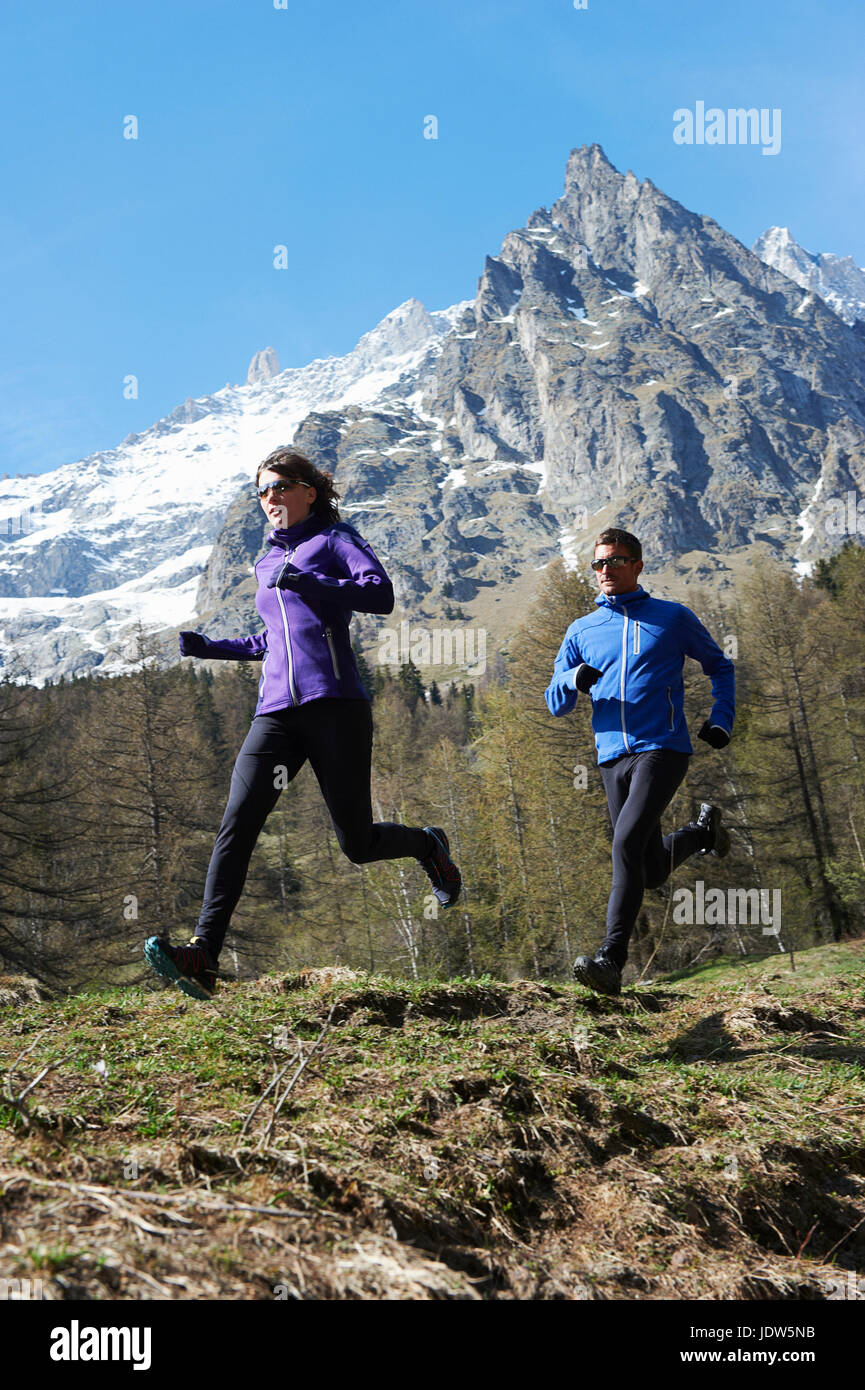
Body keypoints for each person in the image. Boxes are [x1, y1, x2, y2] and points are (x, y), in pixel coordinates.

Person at [144, 447, 461, 1000]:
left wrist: (312, 582)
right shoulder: (267, 563)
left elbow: (379, 595)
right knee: (237, 825)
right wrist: (212, 648)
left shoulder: (335, 540)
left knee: (357, 844)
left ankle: (426, 845)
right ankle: (203, 956)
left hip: (336, 705)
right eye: (262, 491)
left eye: (280, 487)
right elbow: (273, 639)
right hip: (276, 715)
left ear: (309, 491)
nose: (270, 499)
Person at [544, 528, 735, 996]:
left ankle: (611, 959)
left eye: (614, 561)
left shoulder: (672, 618)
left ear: (637, 565)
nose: (604, 571)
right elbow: (554, 702)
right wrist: (571, 678)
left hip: (663, 748)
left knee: (625, 843)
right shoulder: (581, 631)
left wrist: (721, 718)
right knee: (647, 870)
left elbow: (720, 666)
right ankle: (701, 834)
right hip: (611, 758)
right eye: (598, 564)